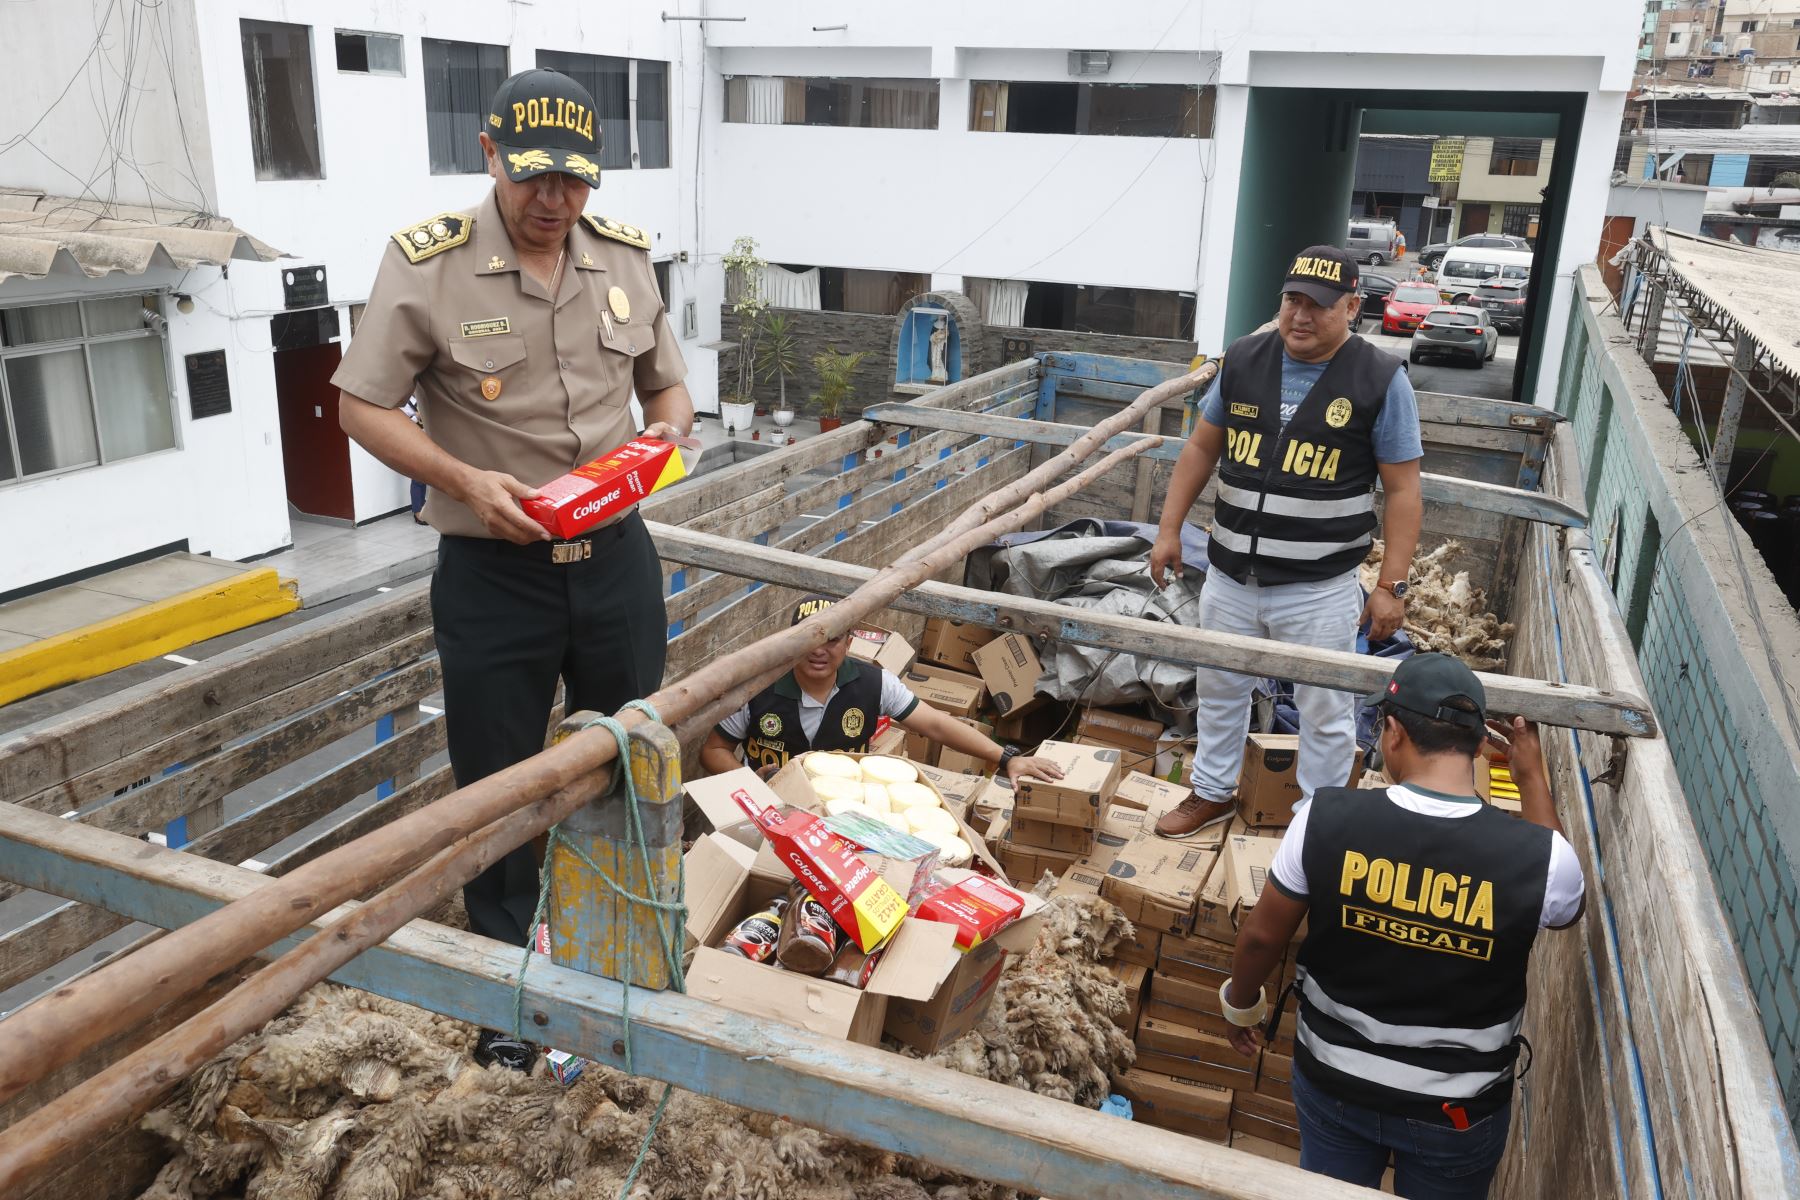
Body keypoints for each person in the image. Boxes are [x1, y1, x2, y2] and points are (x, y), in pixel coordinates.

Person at [332, 69, 693, 1069]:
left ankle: (625, 957)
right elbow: (360, 406)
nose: (554, 203)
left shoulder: (622, 259)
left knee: (627, 759)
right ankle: (511, 997)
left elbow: (668, 390)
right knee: (494, 785)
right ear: (490, 155)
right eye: (535, 179)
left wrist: (664, 441)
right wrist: (460, 477)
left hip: (617, 559)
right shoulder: (429, 267)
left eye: (575, 183)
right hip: (495, 574)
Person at [1215, 653, 1585, 1197]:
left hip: (1335, 1084)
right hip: (1456, 1112)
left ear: (1391, 732)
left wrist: (1240, 1004)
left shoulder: (1324, 817)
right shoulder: (1541, 859)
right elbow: (1565, 906)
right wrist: (1530, 775)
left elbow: (1264, 937)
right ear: (1482, 745)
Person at [1148, 245, 1424, 838]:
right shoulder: (1246, 358)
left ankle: (1315, 821)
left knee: (1325, 710)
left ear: (1352, 306)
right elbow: (1201, 447)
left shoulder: (1380, 380)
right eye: (1292, 301)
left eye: (1318, 306)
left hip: (1318, 589)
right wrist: (1169, 529)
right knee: (1220, 689)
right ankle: (1212, 791)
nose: (1300, 316)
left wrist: (1390, 586)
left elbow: (1403, 491)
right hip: (1230, 577)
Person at [700, 596, 1065, 785]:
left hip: (840, 811)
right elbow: (713, 750)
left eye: (832, 638)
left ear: (849, 641)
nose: (819, 650)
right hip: (769, 808)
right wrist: (750, 784)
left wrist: (1006, 758)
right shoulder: (757, 689)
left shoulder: (873, 683)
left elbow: (935, 725)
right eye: (808, 637)